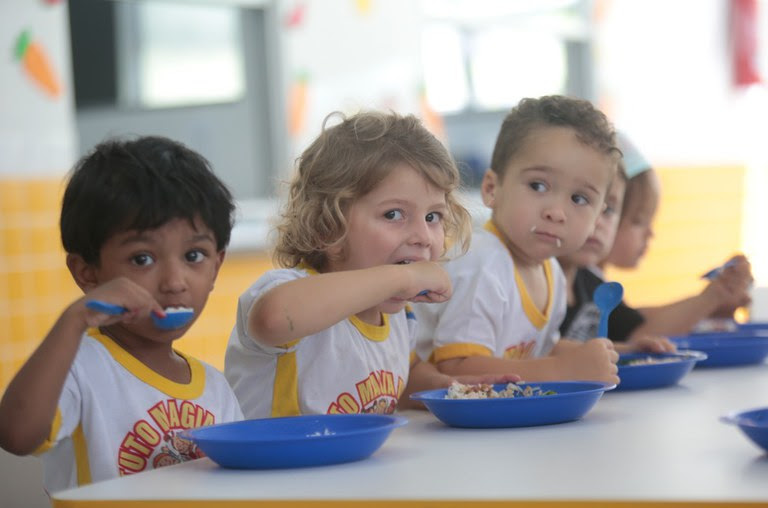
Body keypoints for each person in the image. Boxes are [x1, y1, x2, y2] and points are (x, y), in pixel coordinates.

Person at [224, 111, 518, 419]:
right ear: (329, 226)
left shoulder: (396, 318)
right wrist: (402, 277)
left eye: (433, 217)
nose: (423, 237)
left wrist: (451, 386)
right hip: (279, 467)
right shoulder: (291, 291)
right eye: (393, 214)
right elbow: (273, 320)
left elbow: (405, 378)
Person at [0, 136, 244, 494]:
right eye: (142, 258)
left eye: (194, 256)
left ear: (216, 266)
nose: (175, 283)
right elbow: (15, 435)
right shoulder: (80, 367)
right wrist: (75, 319)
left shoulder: (216, 388)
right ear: (87, 273)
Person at [415, 95, 620, 384]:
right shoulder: (483, 262)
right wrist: (565, 370)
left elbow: (539, 351)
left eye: (579, 198)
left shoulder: (552, 273)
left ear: (597, 218)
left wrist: (614, 355)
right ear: (491, 189)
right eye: (538, 185)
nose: (556, 212)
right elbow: (457, 368)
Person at [601, 132, 753, 338]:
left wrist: (710, 307)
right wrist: (712, 297)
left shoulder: (595, 283)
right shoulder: (580, 286)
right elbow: (637, 335)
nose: (650, 233)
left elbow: (636, 319)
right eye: (639, 220)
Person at [557, 163, 674, 352]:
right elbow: (537, 352)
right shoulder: (529, 284)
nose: (596, 221)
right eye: (579, 200)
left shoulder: (592, 283)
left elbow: (633, 328)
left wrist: (629, 350)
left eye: (609, 210)